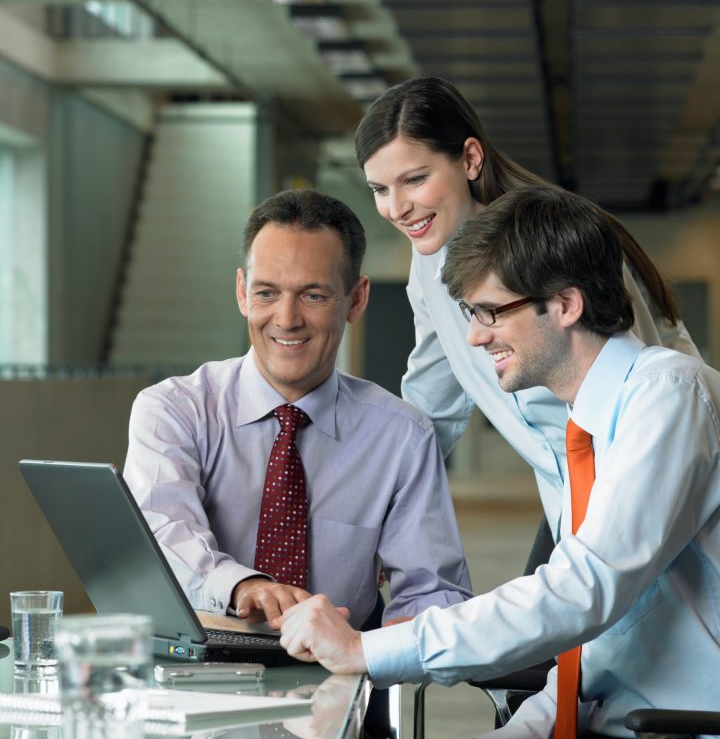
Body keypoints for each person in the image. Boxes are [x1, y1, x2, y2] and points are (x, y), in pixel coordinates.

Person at [279, 185, 720, 738]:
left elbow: (583, 591)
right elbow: (600, 653)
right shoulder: (585, 429)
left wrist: (368, 648)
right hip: (608, 713)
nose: (473, 335)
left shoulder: (669, 397)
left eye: (490, 311)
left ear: (565, 304)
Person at [355, 76, 700, 535]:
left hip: (644, 487)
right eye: (380, 190)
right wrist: (377, 512)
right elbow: (432, 404)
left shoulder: (560, 242)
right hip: (568, 496)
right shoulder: (429, 269)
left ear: (471, 160)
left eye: (414, 180)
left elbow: (653, 389)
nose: (396, 208)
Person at [123, 188, 472, 634]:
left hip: (340, 672)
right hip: (197, 670)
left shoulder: (402, 436)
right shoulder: (173, 411)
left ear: (357, 299)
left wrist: (390, 642)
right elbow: (163, 533)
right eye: (267, 293)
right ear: (242, 293)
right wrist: (243, 586)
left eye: (313, 296)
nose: (287, 319)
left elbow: (435, 591)